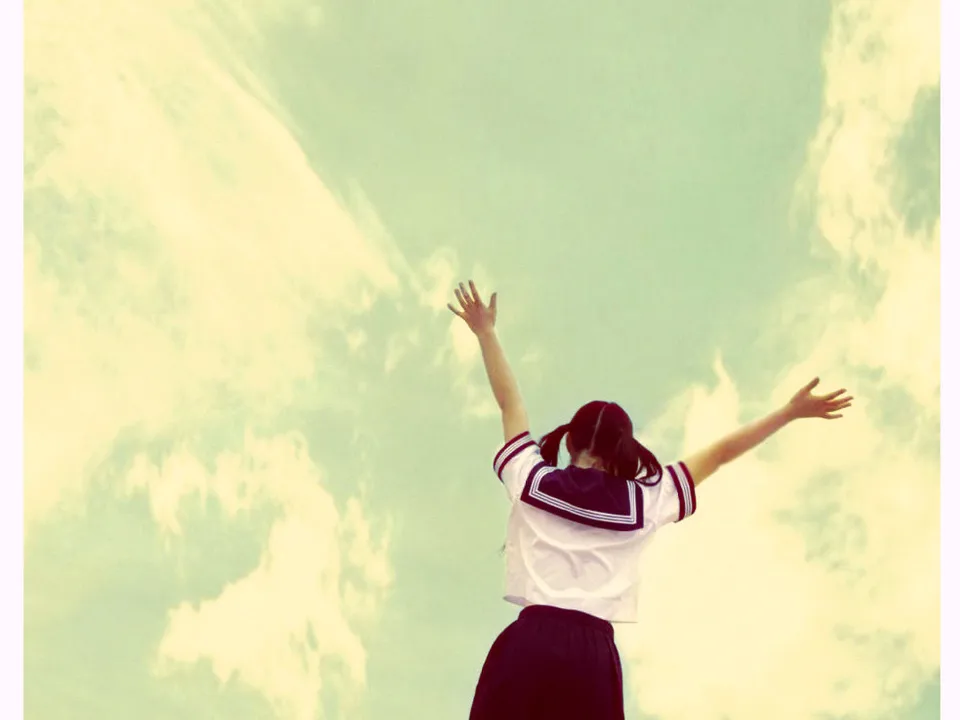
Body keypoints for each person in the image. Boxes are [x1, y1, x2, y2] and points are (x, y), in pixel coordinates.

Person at [447, 280, 854, 720]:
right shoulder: (644, 501)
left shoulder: (530, 477)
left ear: (570, 443)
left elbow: (510, 405)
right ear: (622, 452)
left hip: (529, 643)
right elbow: (720, 454)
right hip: (591, 659)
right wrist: (788, 413)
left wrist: (486, 333)